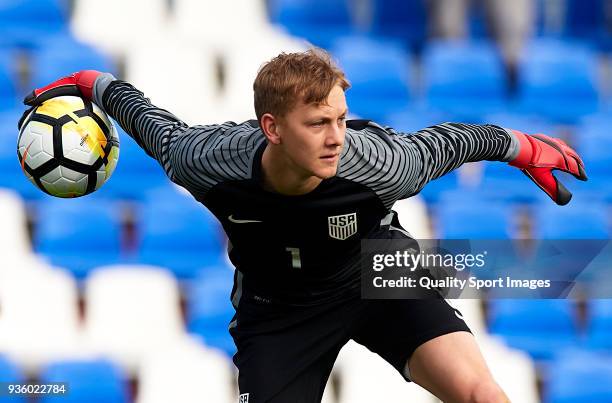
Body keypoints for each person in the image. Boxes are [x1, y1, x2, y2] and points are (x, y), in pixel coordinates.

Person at [22, 49, 586, 403]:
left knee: (481, 394)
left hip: (375, 271)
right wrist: (91, 82)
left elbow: (457, 140)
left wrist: (527, 147)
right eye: (317, 124)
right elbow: (148, 121)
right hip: (278, 313)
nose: (336, 137)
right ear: (271, 127)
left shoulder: (374, 162)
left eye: (341, 119)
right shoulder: (208, 160)